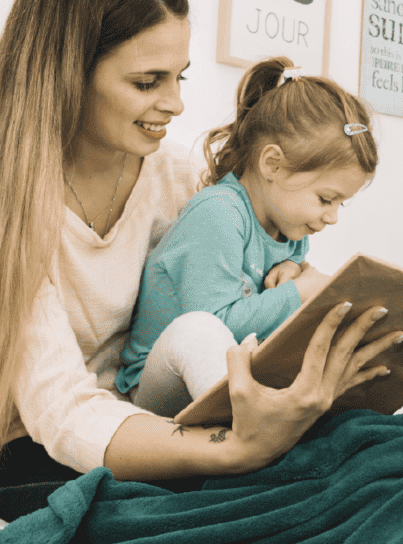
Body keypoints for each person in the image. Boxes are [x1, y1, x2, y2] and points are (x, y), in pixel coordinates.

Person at [0, 0, 403, 521]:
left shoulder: (178, 178)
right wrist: (233, 449)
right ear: (67, 74)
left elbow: (223, 312)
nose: (177, 103)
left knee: (350, 470)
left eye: (179, 76)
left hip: (127, 415)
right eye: (147, 81)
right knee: (224, 508)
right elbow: (63, 413)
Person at [117, 58, 382, 417]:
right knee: (199, 331)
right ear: (272, 164)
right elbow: (217, 324)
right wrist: (302, 290)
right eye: (325, 199)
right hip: (161, 382)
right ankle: (253, 437)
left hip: (242, 377)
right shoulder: (219, 214)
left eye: (340, 204)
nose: (332, 217)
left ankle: (270, 424)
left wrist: (296, 269)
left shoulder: (291, 229)